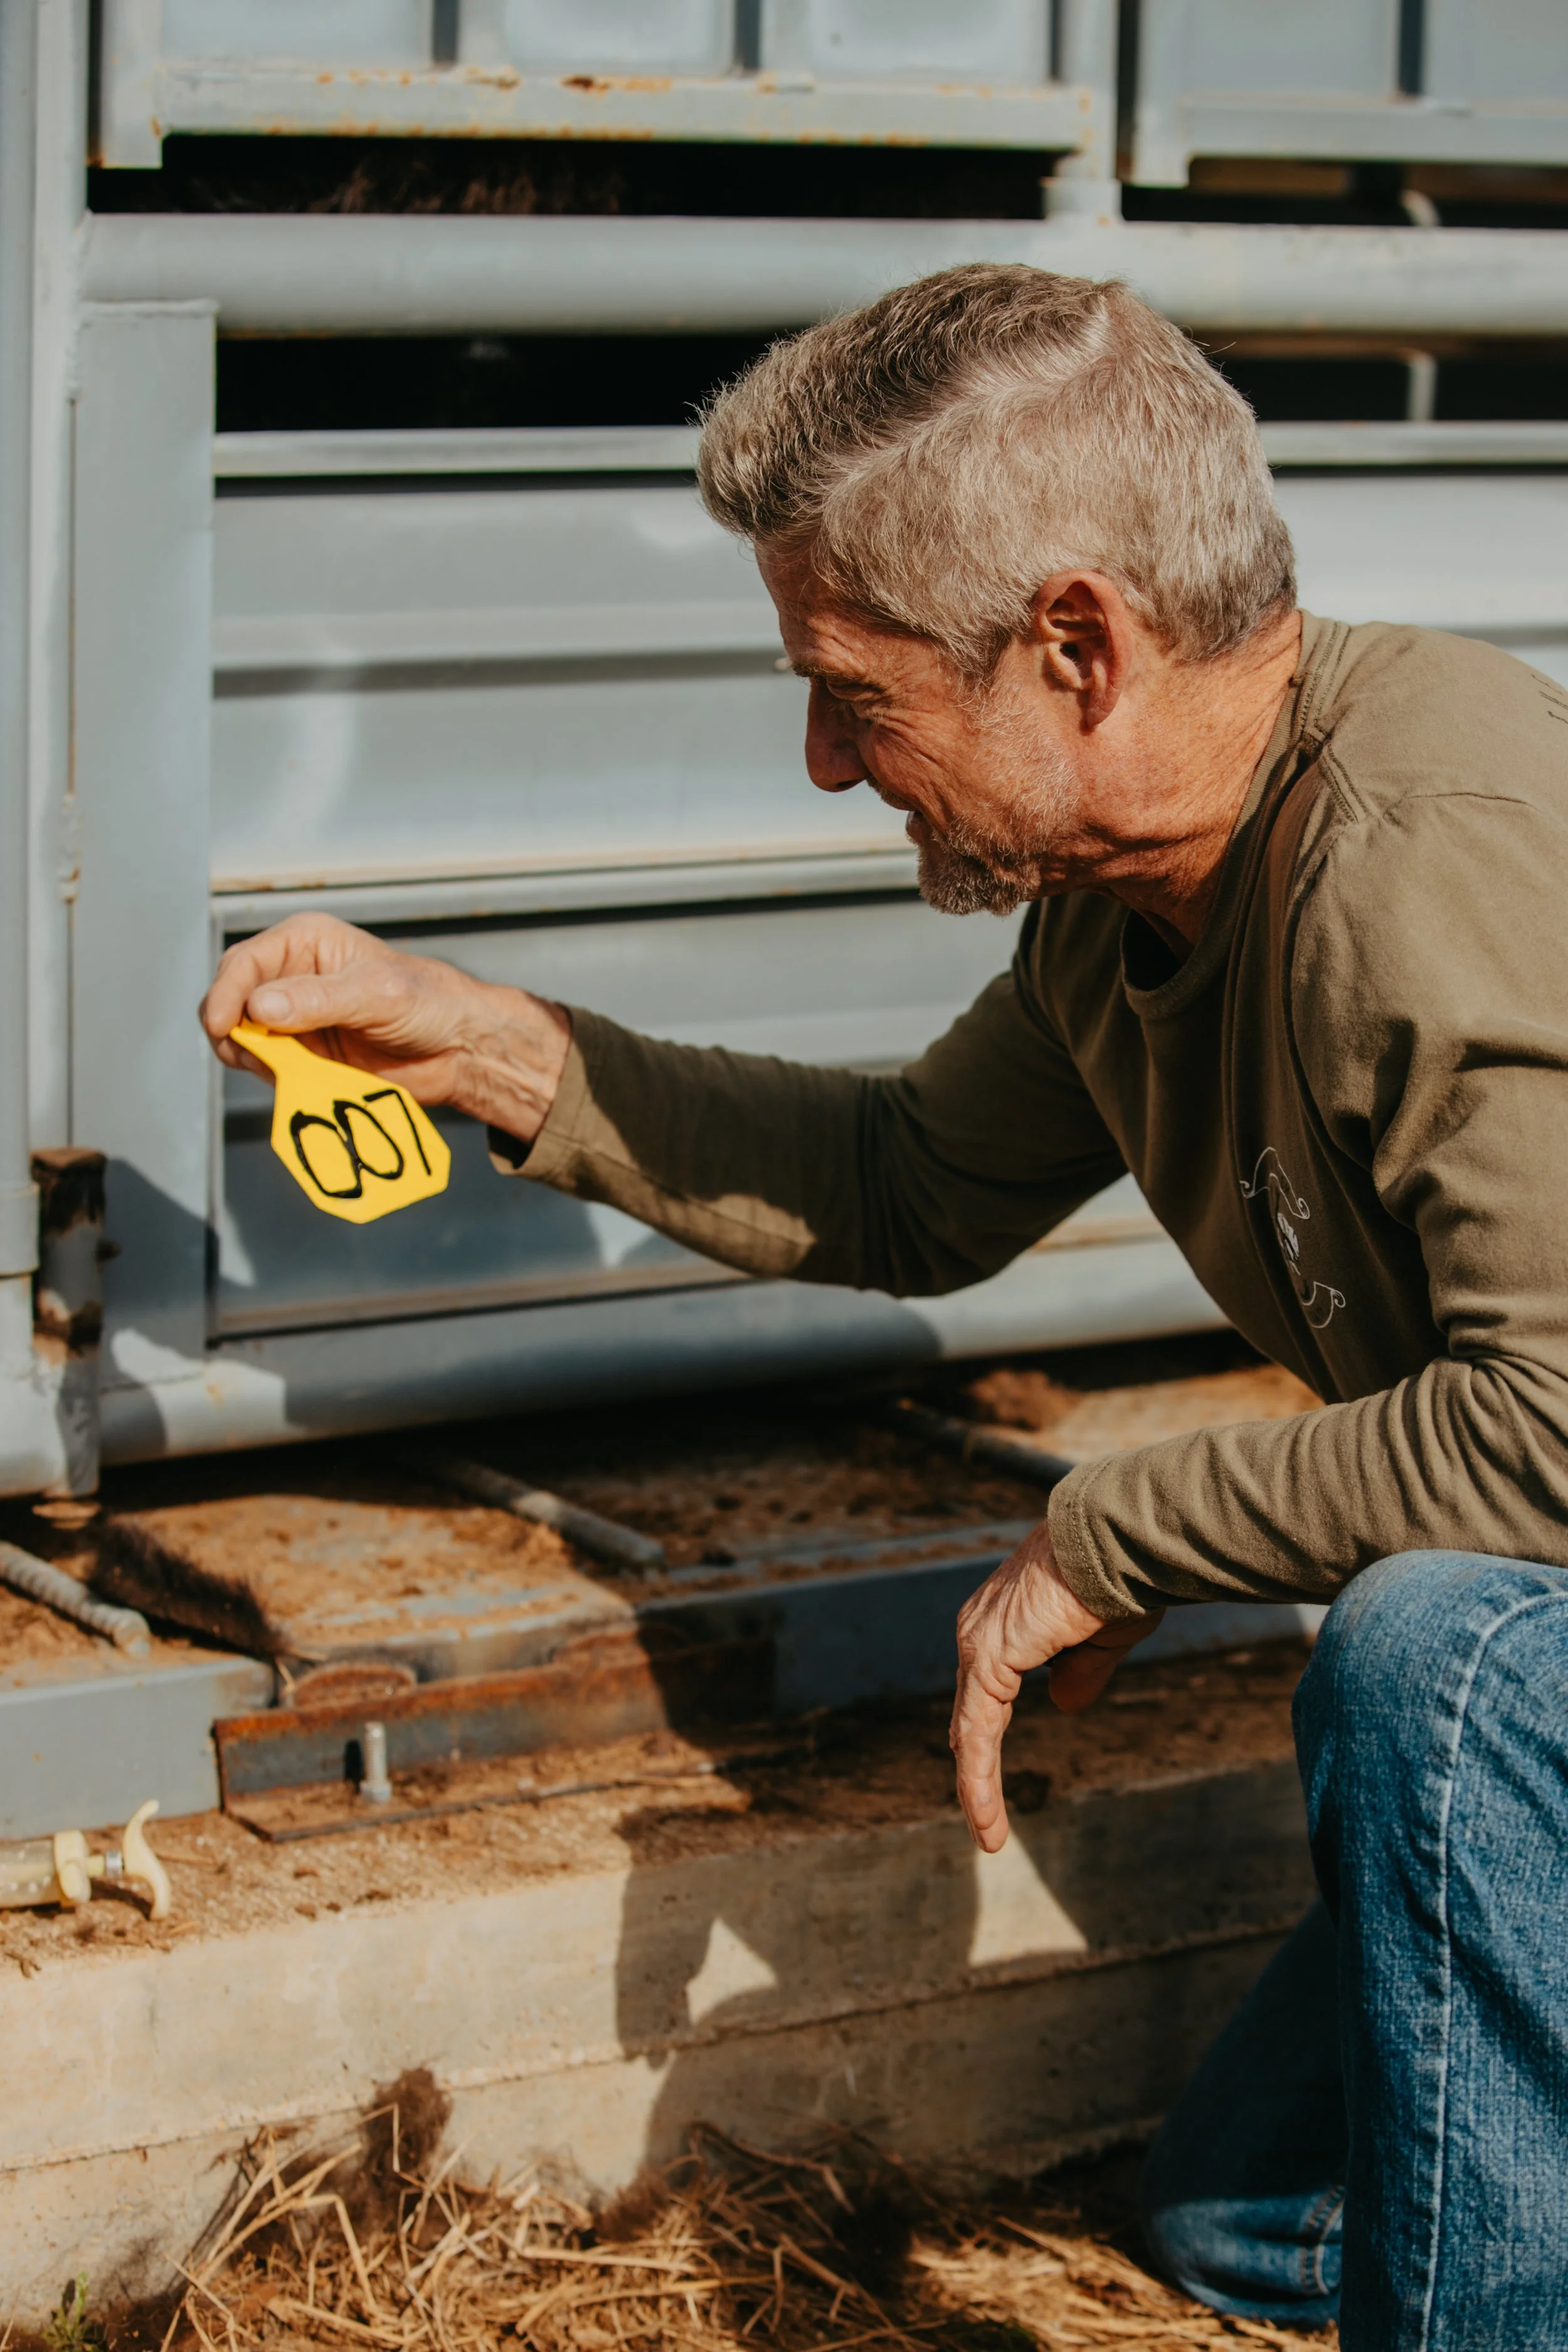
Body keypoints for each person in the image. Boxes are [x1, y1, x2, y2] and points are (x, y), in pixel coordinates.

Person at [201, 265, 1568, 2348]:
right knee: (1231, 2225)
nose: (831, 764)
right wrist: (478, 1043)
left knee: (1432, 1652)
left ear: (1076, 643)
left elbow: (1556, 1419)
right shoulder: (1140, 898)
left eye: (857, 689)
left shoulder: (1424, 843)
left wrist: (1113, 1531)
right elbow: (906, 1183)